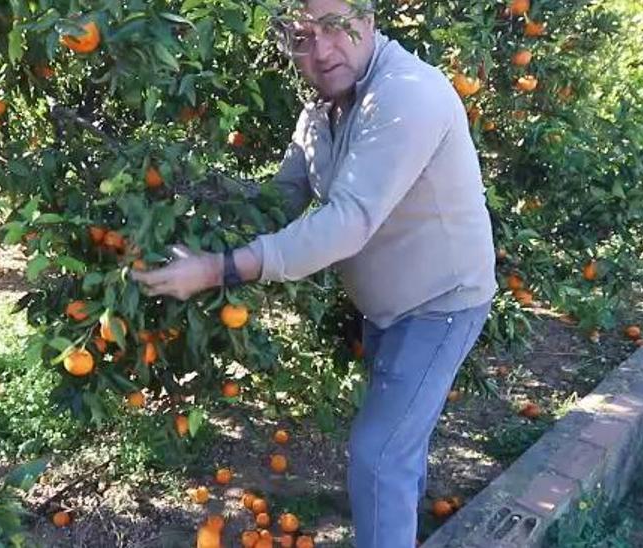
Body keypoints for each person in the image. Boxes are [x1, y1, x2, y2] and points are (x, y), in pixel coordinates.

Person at [131, 0, 497, 544]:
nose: (321, 51)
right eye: (302, 38)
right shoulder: (321, 113)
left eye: (334, 28)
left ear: (368, 23)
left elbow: (347, 222)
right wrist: (193, 201)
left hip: (441, 304)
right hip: (388, 307)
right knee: (397, 445)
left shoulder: (406, 97)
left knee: (377, 457)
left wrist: (219, 271)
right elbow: (282, 197)